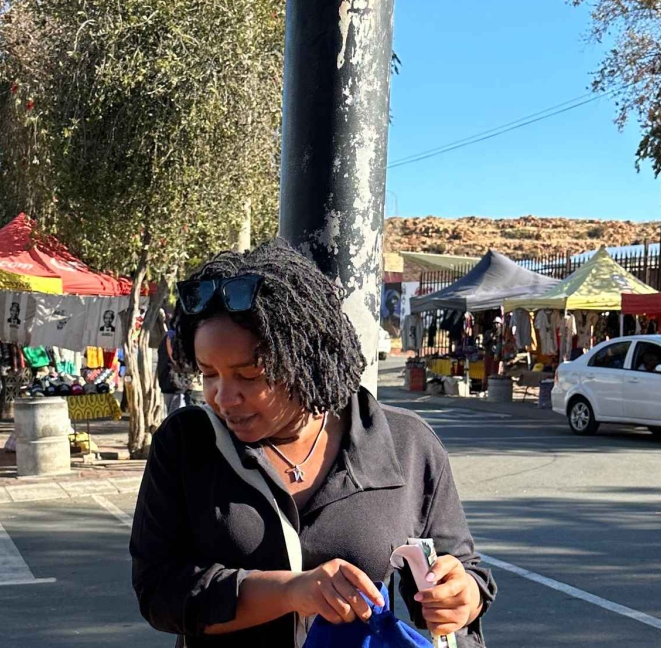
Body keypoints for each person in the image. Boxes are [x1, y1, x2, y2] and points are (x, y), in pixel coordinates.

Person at [131, 241, 493, 647]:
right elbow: (158, 589)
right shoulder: (186, 444)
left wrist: (461, 597)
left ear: (306, 359)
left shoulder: (406, 444)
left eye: (249, 375)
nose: (223, 397)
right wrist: (290, 591)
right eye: (208, 373)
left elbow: (462, 569)